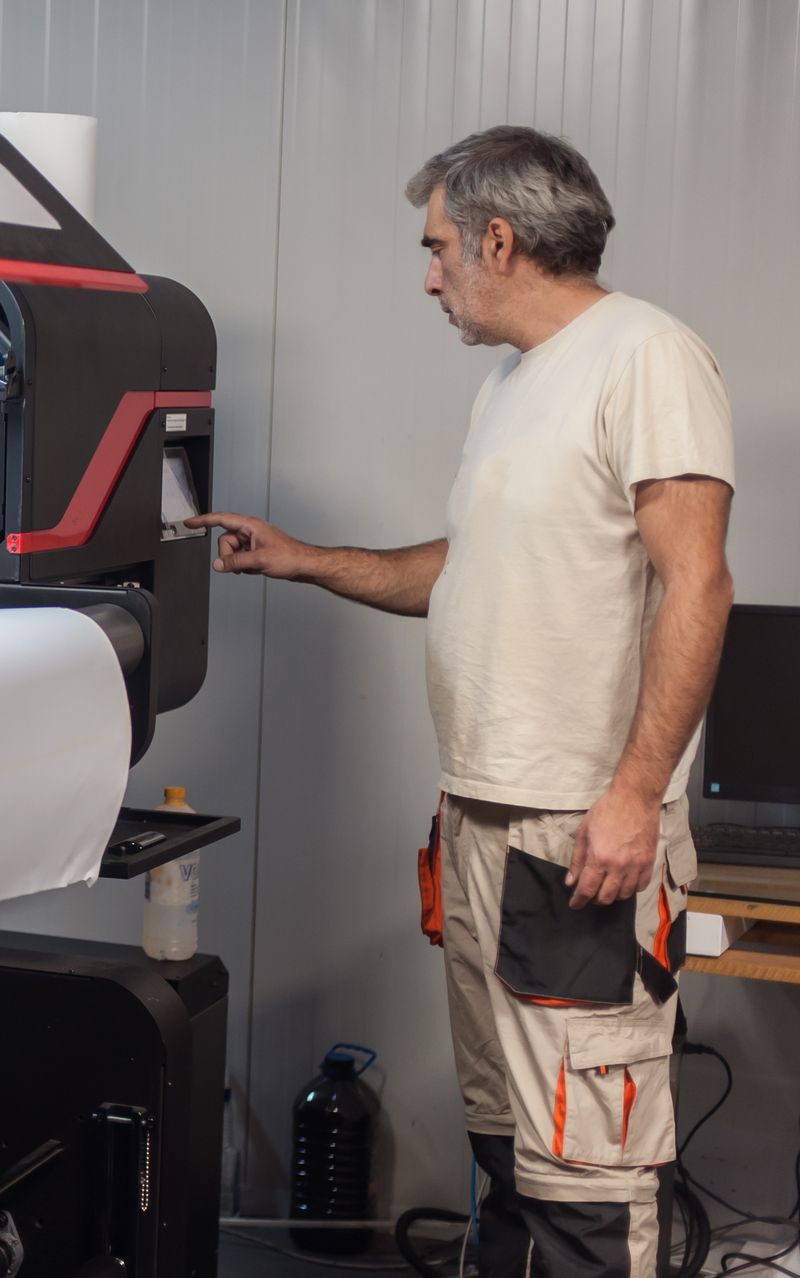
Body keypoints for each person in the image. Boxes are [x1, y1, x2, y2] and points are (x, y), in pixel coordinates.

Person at [187, 126, 735, 1277]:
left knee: (591, 1168)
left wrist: (635, 796)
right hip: (482, 819)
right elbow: (471, 570)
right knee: (509, 1149)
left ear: (500, 238)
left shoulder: (646, 355)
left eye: (438, 247)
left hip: (576, 833)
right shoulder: (514, 383)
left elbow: (700, 580)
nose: (428, 274)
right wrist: (306, 559)